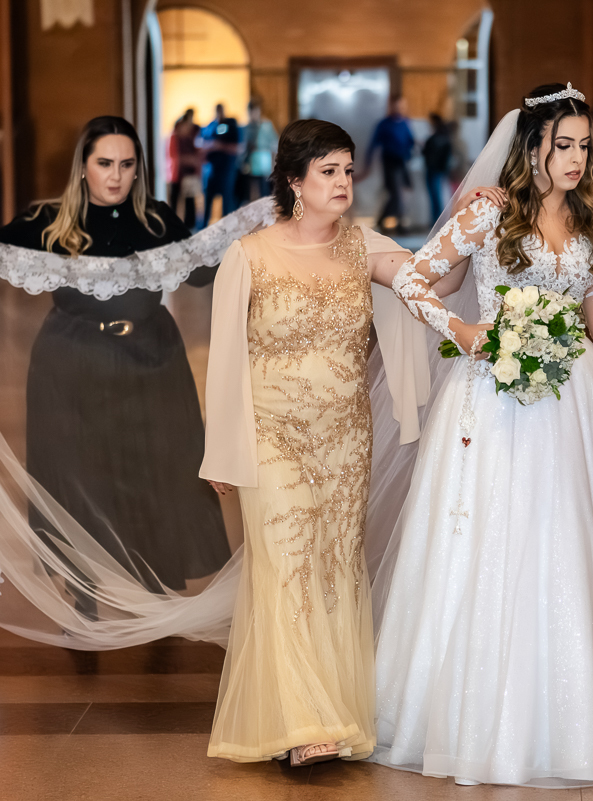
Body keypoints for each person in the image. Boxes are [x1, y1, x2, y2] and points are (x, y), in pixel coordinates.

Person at [370, 84, 593, 787]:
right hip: (496, 401)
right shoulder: (487, 215)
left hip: (577, 406)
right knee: (498, 543)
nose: (575, 157)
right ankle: (479, 722)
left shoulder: (592, 219)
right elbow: (415, 282)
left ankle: (576, 716)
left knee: (572, 545)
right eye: (562, 144)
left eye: (584, 145)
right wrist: (466, 330)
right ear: (530, 147)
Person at [199, 119, 498, 767]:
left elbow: (432, 282)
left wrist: (466, 226)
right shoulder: (248, 255)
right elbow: (224, 361)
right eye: (328, 171)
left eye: (347, 169)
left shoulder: (364, 247)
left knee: (333, 566)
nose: (342, 182)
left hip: (344, 439)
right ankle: (302, 721)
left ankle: (329, 710)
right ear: (293, 181)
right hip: (271, 434)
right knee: (285, 565)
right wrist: (222, 449)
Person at [0, 115, 232, 615]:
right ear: (83, 167)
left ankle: (160, 582)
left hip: (152, 359)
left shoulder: (157, 220)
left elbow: (205, 273)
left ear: (139, 168)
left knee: (157, 467)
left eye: (126, 164)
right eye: (104, 164)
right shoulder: (49, 222)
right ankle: (83, 591)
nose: (116, 176)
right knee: (77, 472)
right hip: (70, 360)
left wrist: (260, 235)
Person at [363, 95, 415, 233]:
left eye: (402, 105)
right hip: (390, 161)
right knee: (396, 192)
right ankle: (400, 223)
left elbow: (410, 141)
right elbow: (372, 145)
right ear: (391, 106)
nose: (399, 108)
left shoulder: (405, 123)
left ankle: (383, 219)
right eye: (396, 105)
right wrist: (366, 167)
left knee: (405, 191)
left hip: (402, 161)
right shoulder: (384, 124)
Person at [200, 103, 241, 226]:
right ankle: (203, 227)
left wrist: (219, 146)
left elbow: (238, 148)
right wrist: (211, 146)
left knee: (226, 202)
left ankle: (227, 230)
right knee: (208, 201)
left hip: (227, 170)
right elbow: (201, 144)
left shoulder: (231, 125)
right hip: (211, 171)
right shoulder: (210, 126)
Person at [238, 97, 278, 204]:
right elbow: (241, 148)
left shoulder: (266, 126)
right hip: (249, 165)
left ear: (259, 111)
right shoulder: (245, 128)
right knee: (249, 195)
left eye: (255, 111)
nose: (253, 114)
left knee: (264, 194)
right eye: (250, 112)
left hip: (263, 165)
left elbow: (275, 144)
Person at [421, 113, 452, 227]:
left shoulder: (433, 139)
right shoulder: (445, 137)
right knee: (439, 196)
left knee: (435, 197)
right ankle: (437, 221)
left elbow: (425, 153)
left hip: (432, 169)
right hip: (440, 170)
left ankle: (436, 222)